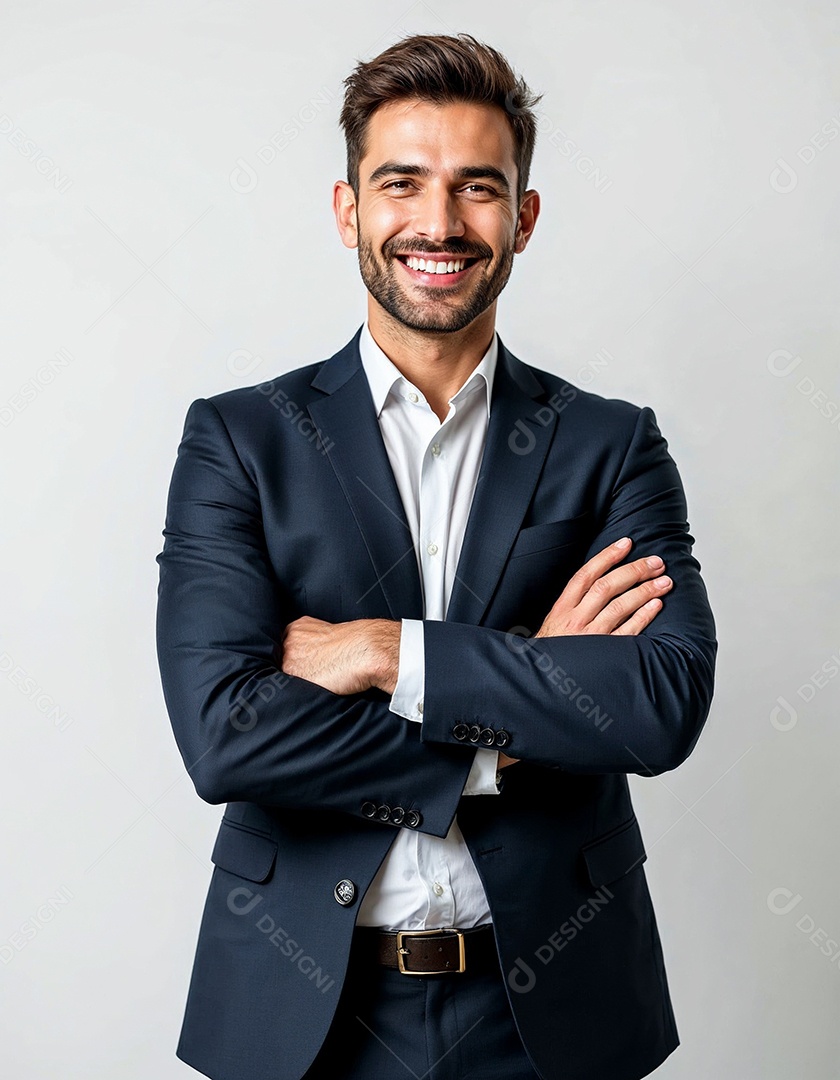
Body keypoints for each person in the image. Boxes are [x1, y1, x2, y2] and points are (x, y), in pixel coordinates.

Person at [156, 32, 716, 1080]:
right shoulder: (242, 439)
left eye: (479, 188)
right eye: (401, 183)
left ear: (525, 218)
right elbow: (225, 736)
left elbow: (658, 700)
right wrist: (511, 717)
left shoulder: (610, 444)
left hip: (553, 1013)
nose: (439, 224)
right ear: (348, 209)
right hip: (305, 1012)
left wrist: (382, 651)